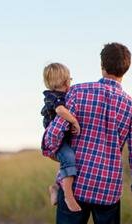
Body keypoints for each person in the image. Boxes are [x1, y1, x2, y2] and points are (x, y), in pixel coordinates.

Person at [42, 42, 132, 224]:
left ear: (102, 65)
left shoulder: (77, 92)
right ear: (126, 70)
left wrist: (51, 151)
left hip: (75, 184)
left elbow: (53, 135)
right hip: (108, 190)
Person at [40, 63, 82, 212]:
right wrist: (74, 121)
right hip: (55, 141)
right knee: (69, 157)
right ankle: (68, 196)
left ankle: (56, 187)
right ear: (65, 81)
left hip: (63, 138)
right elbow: (60, 111)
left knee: (67, 162)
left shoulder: (64, 95)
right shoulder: (53, 97)